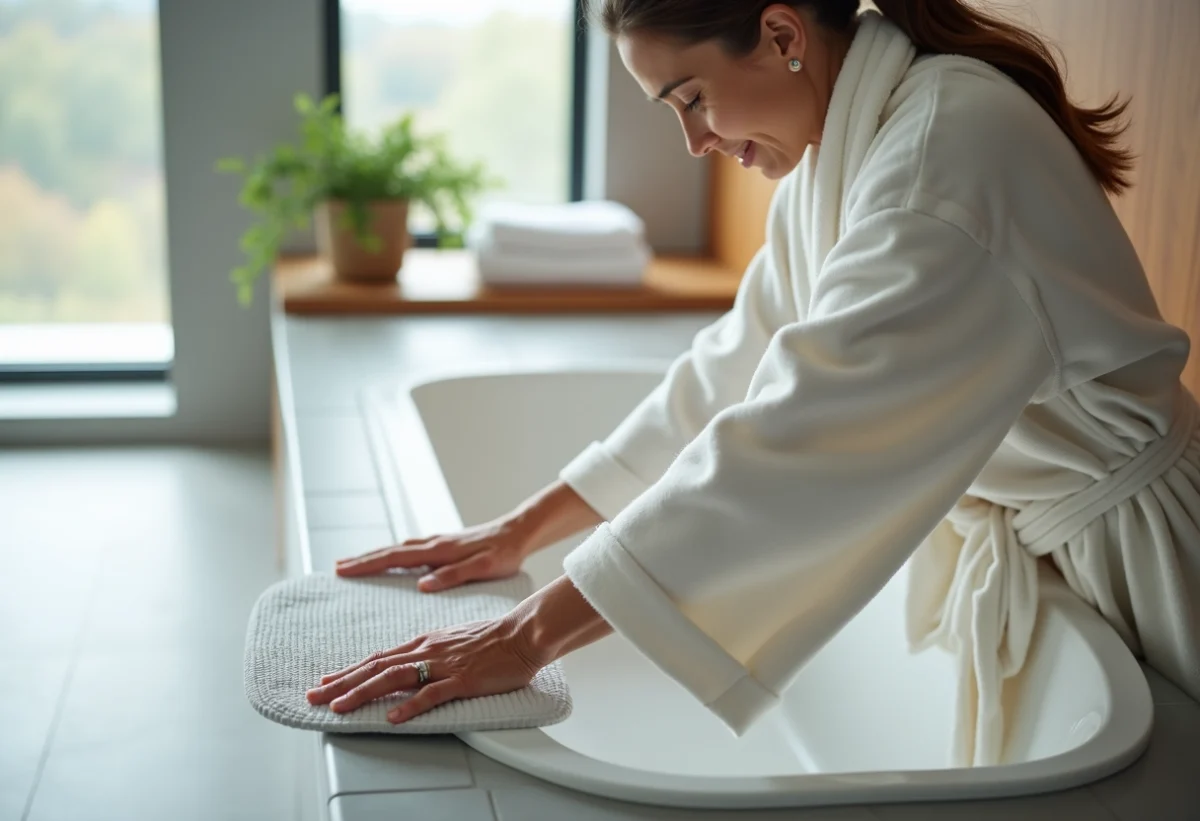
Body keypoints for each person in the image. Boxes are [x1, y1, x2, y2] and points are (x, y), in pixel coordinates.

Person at [306, 0, 1200, 766]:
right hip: (1061, 549)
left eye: (690, 99)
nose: (694, 143)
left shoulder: (939, 162)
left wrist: (526, 634)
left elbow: (796, 444)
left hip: (1144, 564)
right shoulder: (863, 138)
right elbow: (737, 366)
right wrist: (523, 527)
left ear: (780, 33)